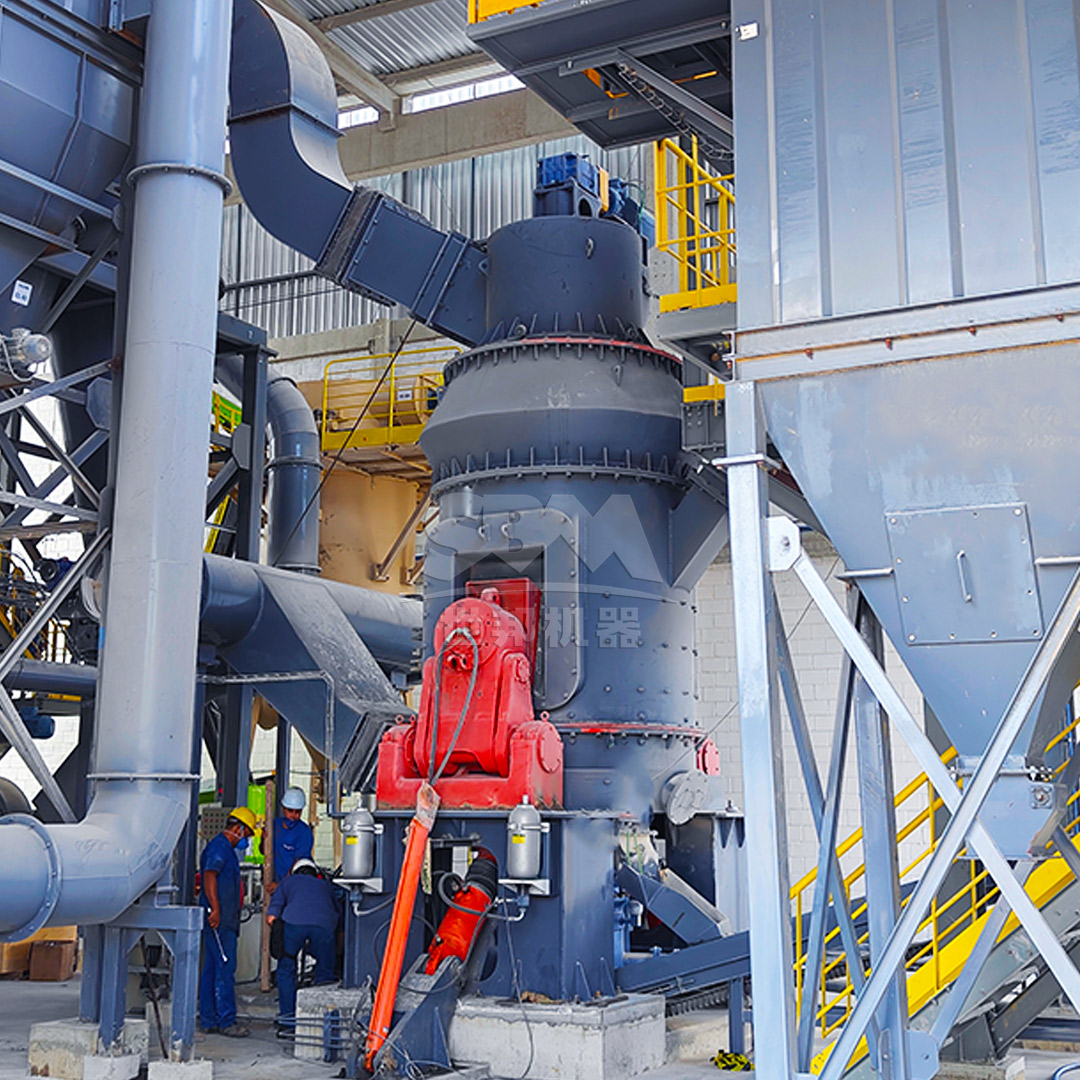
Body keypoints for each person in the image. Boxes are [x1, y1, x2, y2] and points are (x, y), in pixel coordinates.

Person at [198, 806, 256, 1037]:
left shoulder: (224, 849)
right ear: (238, 828)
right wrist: (216, 909)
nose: (246, 840)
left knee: (212, 968)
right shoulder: (219, 848)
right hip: (219, 920)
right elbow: (209, 875)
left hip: (223, 919)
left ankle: (209, 1018)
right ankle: (226, 1020)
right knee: (224, 968)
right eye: (247, 834)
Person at [266, 858, 340, 1028]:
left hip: (294, 924)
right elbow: (339, 915)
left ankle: (288, 1021)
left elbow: (272, 915)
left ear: (295, 872)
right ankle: (321, 1022)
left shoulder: (287, 882)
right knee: (325, 973)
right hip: (324, 926)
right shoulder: (326, 886)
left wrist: (278, 932)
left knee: (286, 970)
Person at [271, 786, 314, 883]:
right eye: (290, 810)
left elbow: (298, 862)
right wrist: (264, 839)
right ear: (283, 808)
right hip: (274, 880)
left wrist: (282, 884)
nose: (294, 815)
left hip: (295, 882)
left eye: (298, 812)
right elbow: (263, 851)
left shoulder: (304, 832)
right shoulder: (274, 825)